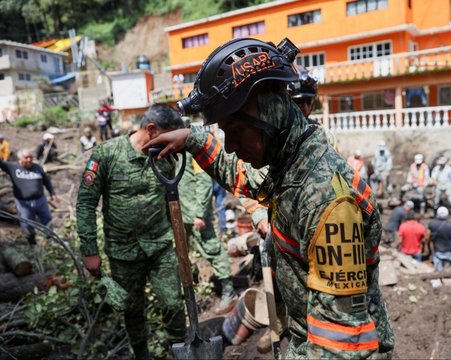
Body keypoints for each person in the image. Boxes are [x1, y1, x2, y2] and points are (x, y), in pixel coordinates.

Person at [143, 37, 394, 358]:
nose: (231, 145)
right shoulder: (291, 163)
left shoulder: (328, 202)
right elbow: (244, 178)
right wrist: (192, 138)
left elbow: (342, 345)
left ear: (270, 114)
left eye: (235, 131)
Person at [76, 104, 186, 360]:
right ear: (151, 129)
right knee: (132, 309)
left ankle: (180, 351)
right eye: (168, 133)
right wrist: (89, 250)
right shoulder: (106, 154)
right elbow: (86, 203)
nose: (172, 140)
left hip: (160, 245)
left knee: (172, 303)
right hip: (123, 251)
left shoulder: (166, 156)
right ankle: (141, 354)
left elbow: (173, 199)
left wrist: (183, 241)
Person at [179, 151, 237, 315]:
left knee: (212, 249)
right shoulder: (167, 154)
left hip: (196, 215)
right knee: (180, 254)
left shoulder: (190, 152)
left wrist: (200, 213)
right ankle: (190, 290)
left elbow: (204, 181)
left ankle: (228, 291)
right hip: (179, 215)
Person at [0, 149, 58, 245]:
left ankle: (51, 242)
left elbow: (46, 181)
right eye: (26, 157)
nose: (29, 159)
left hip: (40, 200)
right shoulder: (12, 167)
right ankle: (32, 243)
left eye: (31, 157)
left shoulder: (37, 168)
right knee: (26, 223)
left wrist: (52, 193)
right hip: (23, 203)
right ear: (20, 158)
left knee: (47, 220)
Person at [287, 64, 338, 151]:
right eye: (299, 102)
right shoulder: (273, 135)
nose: (305, 108)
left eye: (309, 101)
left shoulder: (324, 135)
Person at [426, 206, 451, 282]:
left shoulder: (432, 224)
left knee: (438, 271)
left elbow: (427, 238)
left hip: (438, 251)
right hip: (450, 251)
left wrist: (428, 249)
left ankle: (439, 284)